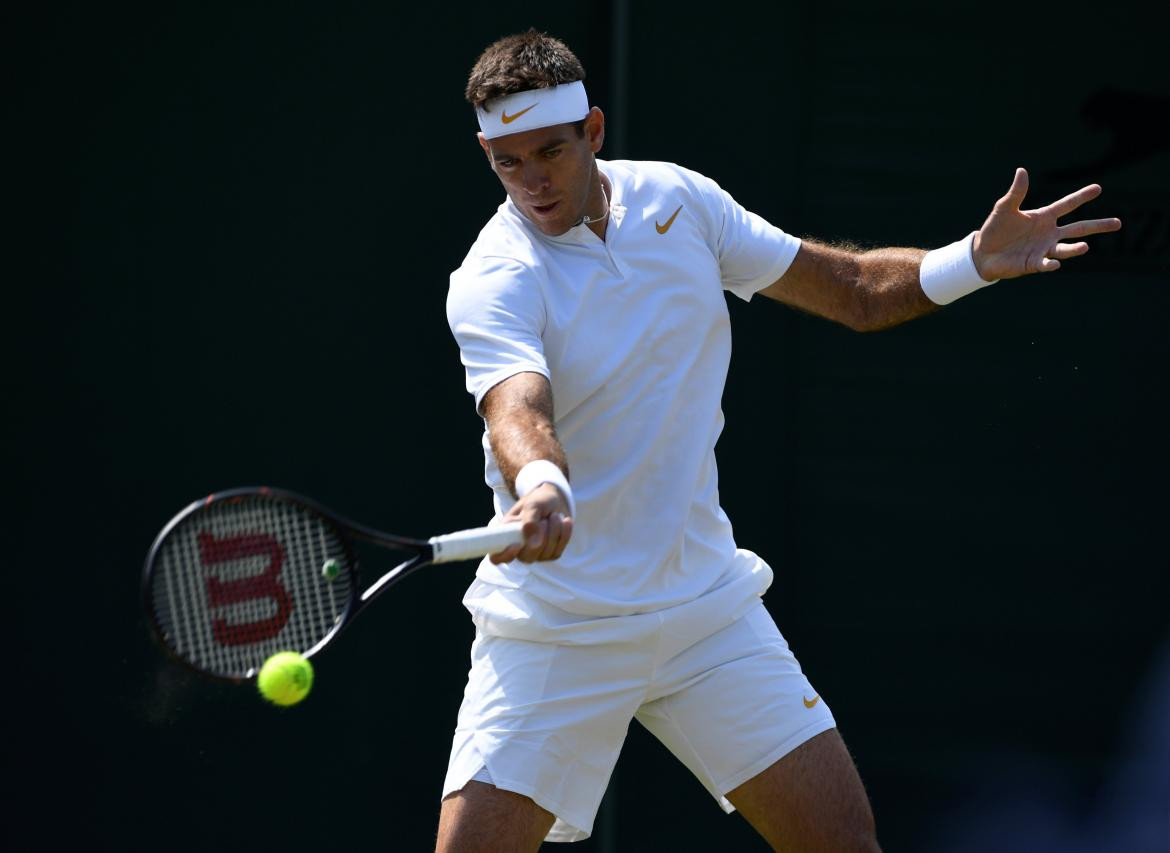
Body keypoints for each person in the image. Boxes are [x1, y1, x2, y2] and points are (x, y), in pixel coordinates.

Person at [437, 30, 1121, 853]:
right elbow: (516, 406)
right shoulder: (494, 278)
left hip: (702, 613)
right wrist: (541, 480)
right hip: (559, 629)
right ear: (485, 152)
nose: (532, 180)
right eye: (507, 161)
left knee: (842, 840)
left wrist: (972, 260)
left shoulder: (679, 204)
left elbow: (857, 291)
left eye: (549, 149)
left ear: (594, 132)